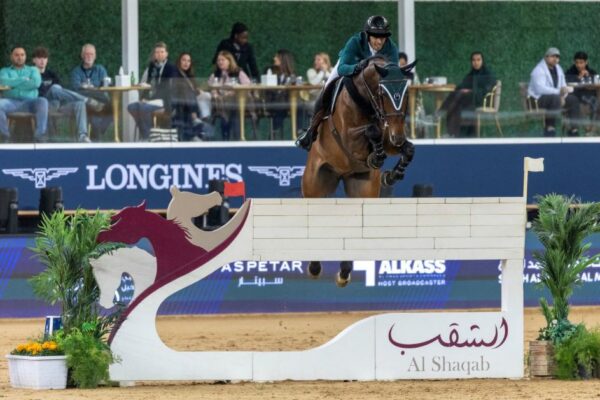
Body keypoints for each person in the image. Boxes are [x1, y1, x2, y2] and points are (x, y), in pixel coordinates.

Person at [296, 15, 399, 150]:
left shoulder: (391, 48)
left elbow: (393, 74)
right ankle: (311, 130)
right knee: (328, 86)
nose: (379, 42)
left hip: (373, 81)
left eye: (383, 37)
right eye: (375, 37)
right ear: (368, 35)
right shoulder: (355, 41)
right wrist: (356, 68)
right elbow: (342, 68)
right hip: (350, 67)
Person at [32, 47, 102, 143]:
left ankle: (83, 135)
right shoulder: (32, 74)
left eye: (44, 58)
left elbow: (61, 92)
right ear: (34, 60)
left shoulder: (52, 74)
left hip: (59, 104)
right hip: (45, 105)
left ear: (47, 60)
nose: (42, 61)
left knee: (79, 103)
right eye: (39, 58)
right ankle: (87, 99)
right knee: (54, 88)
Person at [438, 51, 496, 137]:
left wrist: (470, 92)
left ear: (482, 61)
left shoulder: (487, 75)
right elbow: (462, 86)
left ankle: (441, 112)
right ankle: (452, 133)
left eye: (478, 60)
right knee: (457, 99)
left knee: (458, 97)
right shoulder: (471, 74)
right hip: (468, 101)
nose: (476, 62)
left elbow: (486, 91)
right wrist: (462, 90)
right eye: (473, 60)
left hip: (481, 101)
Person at [127, 41, 178, 140]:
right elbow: (148, 85)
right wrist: (143, 98)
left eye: (162, 52)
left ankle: (147, 137)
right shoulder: (152, 66)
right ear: (154, 54)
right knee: (132, 107)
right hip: (152, 98)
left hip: (164, 101)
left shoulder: (171, 68)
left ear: (166, 54)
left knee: (143, 108)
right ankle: (146, 133)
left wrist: (149, 99)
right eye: (157, 52)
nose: (159, 54)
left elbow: (166, 89)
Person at [528, 47, 580, 137]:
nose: (555, 59)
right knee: (554, 98)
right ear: (546, 57)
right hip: (536, 100)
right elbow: (540, 89)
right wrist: (559, 93)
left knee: (573, 100)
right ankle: (550, 128)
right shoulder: (538, 70)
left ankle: (573, 130)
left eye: (557, 57)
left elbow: (563, 85)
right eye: (552, 56)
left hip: (555, 97)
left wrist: (563, 95)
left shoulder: (558, 68)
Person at [0, 46, 48, 143]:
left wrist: (13, 85)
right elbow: (3, 82)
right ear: (11, 57)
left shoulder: (33, 70)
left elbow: (35, 83)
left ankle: (40, 136)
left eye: (22, 55)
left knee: (43, 101)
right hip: (11, 102)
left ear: (25, 57)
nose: (19, 57)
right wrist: (23, 80)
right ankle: (5, 136)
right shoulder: (4, 71)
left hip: (30, 102)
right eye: (16, 55)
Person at [70, 43, 111, 138]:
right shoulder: (76, 72)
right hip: (85, 104)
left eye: (91, 54)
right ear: (82, 55)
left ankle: (97, 135)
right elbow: (76, 89)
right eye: (87, 54)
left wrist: (87, 88)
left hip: (100, 102)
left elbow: (105, 88)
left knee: (113, 108)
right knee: (95, 120)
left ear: (95, 56)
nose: (89, 56)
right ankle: (94, 141)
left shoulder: (100, 70)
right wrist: (94, 90)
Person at [208, 50, 251, 140]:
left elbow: (248, 85)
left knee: (233, 108)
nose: (220, 62)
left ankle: (235, 137)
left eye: (222, 60)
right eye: (218, 60)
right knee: (225, 108)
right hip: (221, 103)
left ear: (229, 61)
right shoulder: (215, 74)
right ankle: (227, 137)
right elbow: (211, 88)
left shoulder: (238, 72)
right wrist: (216, 94)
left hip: (237, 103)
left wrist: (235, 91)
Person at [171, 52, 213, 141]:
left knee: (207, 95)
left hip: (189, 101)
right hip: (179, 100)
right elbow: (176, 87)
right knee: (186, 90)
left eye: (188, 61)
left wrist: (199, 90)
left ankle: (204, 118)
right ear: (179, 61)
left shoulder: (189, 75)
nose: (186, 63)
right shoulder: (176, 72)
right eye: (184, 60)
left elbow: (194, 89)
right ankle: (194, 117)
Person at [266, 49, 296, 139]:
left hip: (287, 104)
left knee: (299, 107)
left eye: (277, 57)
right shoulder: (273, 74)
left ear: (283, 60)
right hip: (274, 103)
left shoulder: (292, 76)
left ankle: (274, 134)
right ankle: (273, 134)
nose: (274, 58)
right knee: (279, 108)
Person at [565, 51, 598, 124]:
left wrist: (589, 77)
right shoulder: (570, 72)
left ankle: (591, 131)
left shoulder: (592, 72)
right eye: (577, 62)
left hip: (591, 97)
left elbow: (596, 84)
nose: (579, 65)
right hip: (576, 97)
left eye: (581, 62)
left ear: (586, 62)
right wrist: (579, 78)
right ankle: (588, 130)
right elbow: (568, 86)